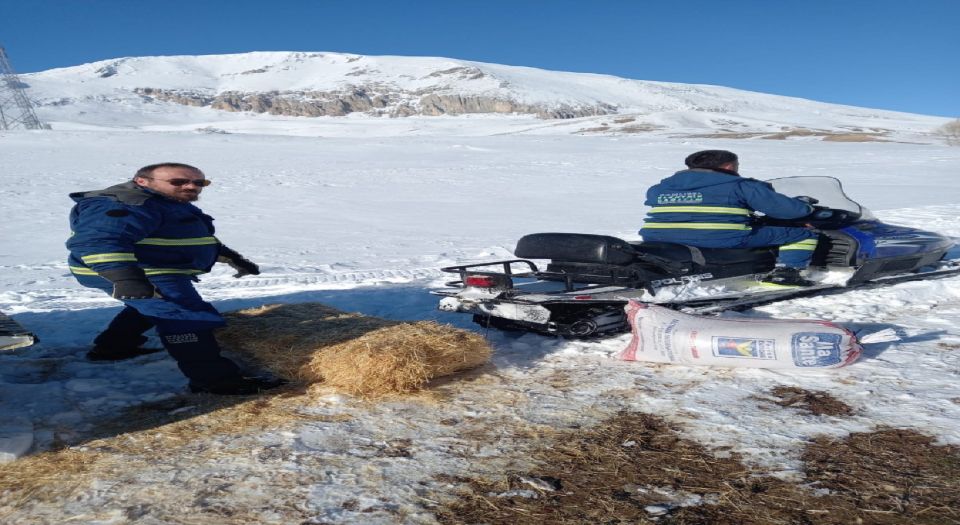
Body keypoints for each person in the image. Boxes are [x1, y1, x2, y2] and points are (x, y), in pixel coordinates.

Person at [66, 162, 283, 395]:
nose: (191, 186)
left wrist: (230, 257)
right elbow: (97, 242)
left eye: (199, 182)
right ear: (142, 181)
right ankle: (216, 381)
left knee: (148, 305)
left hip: (150, 269)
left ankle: (113, 347)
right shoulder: (127, 204)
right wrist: (127, 279)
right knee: (186, 316)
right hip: (140, 270)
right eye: (178, 181)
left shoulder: (163, 201)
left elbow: (183, 237)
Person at [639, 150, 819, 286]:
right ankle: (788, 272)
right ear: (728, 167)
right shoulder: (739, 185)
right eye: (737, 165)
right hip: (719, 237)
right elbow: (787, 211)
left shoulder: (661, 187)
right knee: (803, 234)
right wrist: (805, 206)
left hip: (657, 237)